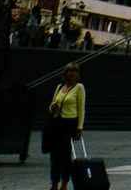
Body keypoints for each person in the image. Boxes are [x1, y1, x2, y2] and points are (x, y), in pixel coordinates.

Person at [43, 61, 86, 190]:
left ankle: (65, 183)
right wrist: (53, 107)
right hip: (56, 124)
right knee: (54, 155)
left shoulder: (79, 88)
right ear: (65, 74)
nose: (72, 75)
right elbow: (51, 107)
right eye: (70, 72)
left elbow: (81, 108)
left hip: (69, 124)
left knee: (65, 156)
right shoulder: (59, 87)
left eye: (75, 72)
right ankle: (54, 182)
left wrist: (80, 127)